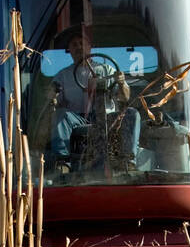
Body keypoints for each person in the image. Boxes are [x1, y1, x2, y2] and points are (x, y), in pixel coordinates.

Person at [46, 32, 141, 174]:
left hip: (107, 120)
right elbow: (53, 99)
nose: (78, 47)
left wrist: (121, 83)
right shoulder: (63, 75)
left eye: (82, 43)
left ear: (90, 47)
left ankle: (128, 161)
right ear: (69, 50)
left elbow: (124, 97)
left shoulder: (107, 70)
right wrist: (51, 95)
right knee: (60, 115)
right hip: (78, 120)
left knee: (132, 114)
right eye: (74, 45)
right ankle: (63, 162)